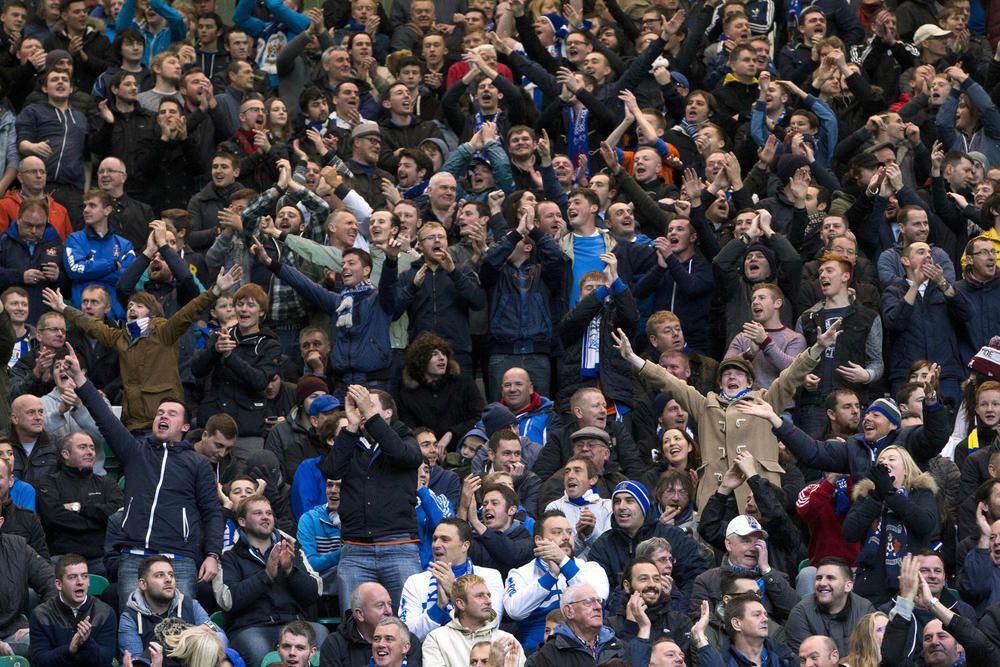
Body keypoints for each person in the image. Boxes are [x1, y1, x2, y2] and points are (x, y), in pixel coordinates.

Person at [58, 339, 225, 610]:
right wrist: (79, 378)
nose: (163, 416)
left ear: (184, 427)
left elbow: (212, 512)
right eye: (160, 412)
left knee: (180, 631)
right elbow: (105, 419)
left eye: (171, 413)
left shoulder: (197, 464)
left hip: (179, 559)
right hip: (134, 556)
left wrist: (213, 554)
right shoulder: (136, 453)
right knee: (131, 627)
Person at [611, 321, 840, 511]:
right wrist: (632, 358)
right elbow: (667, 380)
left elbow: (791, 376)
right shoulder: (704, 404)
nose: (732, 377)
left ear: (750, 382)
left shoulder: (766, 400)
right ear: (719, 382)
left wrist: (817, 349)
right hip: (716, 494)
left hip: (757, 496)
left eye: (739, 374)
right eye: (726, 374)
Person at [320, 384, 423, 615]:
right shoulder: (350, 441)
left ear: (387, 413)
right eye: (360, 405)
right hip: (355, 550)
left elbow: (403, 455)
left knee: (407, 619)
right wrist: (352, 427)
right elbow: (332, 470)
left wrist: (372, 418)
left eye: (369, 404)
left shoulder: (405, 437)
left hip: (398, 546)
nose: (363, 409)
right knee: (354, 623)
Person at [213, 494, 324, 667]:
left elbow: (314, 593)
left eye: (269, 513)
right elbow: (228, 600)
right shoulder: (229, 555)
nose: (266, 517)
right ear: (242, 521)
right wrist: (266, 575)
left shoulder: (291, 548)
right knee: (257, 649)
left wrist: (289, 570)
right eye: (258, 513)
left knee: (321, 634)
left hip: (294, 624)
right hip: (252, 627)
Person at [842, 445, 940, 606]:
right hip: (870, 584)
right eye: (881, 460)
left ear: (906, 469)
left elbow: (925, 524)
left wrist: (890, 494)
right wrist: (876, 497)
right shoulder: (867, 496)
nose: (885, 462)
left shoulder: (921, 493)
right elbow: (849, 532)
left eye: (891, 459)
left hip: (909, 583)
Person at [503, 510, 609, 651]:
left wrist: (563, 562)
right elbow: (514, 611)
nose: (566, 537)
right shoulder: (520, 574)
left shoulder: (591, 568)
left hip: (584, 652)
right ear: (539, 540)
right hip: (536, 654)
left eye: (569, 532)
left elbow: (596, 599)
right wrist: (551, 576)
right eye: (557, 532)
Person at [589, 481, 708, 605]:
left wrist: (679, 605)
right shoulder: (603, 545)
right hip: (622, 617)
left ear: (643, 506)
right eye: (617, 501)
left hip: (670, 615)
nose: (621, 507)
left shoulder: (674, 537)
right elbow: (599, 590)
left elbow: (695, 576)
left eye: (629, 501)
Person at [399, 518, 504, 640]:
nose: (436, 545)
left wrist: (454, 592)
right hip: (429, 653)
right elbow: (406, 635)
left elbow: (491, 624)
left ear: (465, 546)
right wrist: (438, 608)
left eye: (445, 539)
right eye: (434, 539)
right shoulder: (415, 582)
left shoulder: (489, 576)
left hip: (473, 653)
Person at [36, 431, 122, 574]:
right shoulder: (49, 482)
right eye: (83, 447)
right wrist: (97, 521)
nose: (90, 452)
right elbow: (52, 516)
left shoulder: (106, 483)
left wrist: (79, 507)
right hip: (62, 557)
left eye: (92, 448)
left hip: (99, 557)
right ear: (66, 454)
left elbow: (116, 513)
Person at [119, 555, 224, 662]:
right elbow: (136, 662)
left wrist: (193, 634)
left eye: (171, 575)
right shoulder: (129, 617)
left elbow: (218, 634)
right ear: (143, 584)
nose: (168, 579)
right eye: (159, 575)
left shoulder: (190, 605)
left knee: (218, 637)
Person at [525, 582, 651, 666]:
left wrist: (645, 628)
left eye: (598, 601)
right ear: (569, 611)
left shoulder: (619, 646)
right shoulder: (546, 657)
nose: (598, 607)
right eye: (588, 602)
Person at [28, 553, 116, 667]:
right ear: (59, 584)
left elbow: (106, 660)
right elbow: (39, 661)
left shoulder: (105, 613)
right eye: (72, 577)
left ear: (89, 581)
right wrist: (69, 649)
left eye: (84, 576)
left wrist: (87, 642)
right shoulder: (41, 615)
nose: (80, 582)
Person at [422, 573, 526, 667]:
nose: (488, 601)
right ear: (461, 604)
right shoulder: (437, 639)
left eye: (488, 595)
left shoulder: (507, 640)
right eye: (480, 596)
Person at [319, 581, 424, 667]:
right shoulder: (335, 644)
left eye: (389, 604)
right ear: (360, 614)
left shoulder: (407, 640)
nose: (389, 611)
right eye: (380, 605)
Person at [784, 557, 875, 654]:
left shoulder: (865, 610)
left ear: (848, 586)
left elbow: (872, 655)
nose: (822, 583)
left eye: (830, 578)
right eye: (819, 578)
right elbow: (806, 660)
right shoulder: (801, 614)